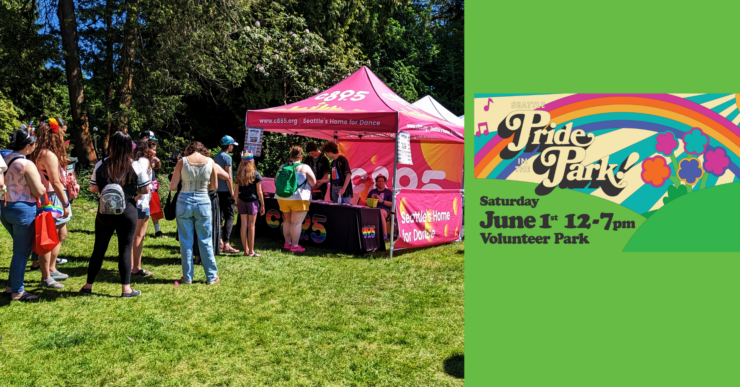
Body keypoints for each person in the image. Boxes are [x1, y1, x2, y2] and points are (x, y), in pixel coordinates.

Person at [81, 131, 150, 297]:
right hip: (128, 210)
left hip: (104, 212)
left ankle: (88, 285)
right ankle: (126, 288)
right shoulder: (136, 165)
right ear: (129, 147)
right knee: (125, 249)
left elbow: (93, 187)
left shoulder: (101, 164)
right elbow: (146, 188)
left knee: (99, 248)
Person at [2, 129, 46, 301]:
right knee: (21, 252)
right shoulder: (27, 164)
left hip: (6, 207)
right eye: (34, 145)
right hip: (24, 210)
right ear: (28, 146)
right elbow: (38, 190)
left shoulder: (6, 159)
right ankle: (18, 291)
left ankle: (10, 286)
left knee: (19, 250)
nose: (35, 148)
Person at [28, 117, 71, 288]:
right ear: (55, 131)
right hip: (51, 199)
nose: (63, 135)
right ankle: (46, 276)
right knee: (47, 238)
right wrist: (65, 204)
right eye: (63, 131)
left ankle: (52, 268)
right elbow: (55, 182)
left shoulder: (41, 151)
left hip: (51, 197)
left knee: (61, 235)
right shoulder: (48, 154)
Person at [169, 141, 219, 284]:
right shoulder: (210, 162)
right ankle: (211, 276)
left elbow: (173, 186)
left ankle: (187, 276)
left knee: (186, 241)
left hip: (184, 200)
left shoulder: (182, 161)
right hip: (203, 200)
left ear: (189, 150)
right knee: (205, 239)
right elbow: (214, 186)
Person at [276, 145, 316, 252]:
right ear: (301, 157)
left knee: (287, 221)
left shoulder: (283, 166)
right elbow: (313, 183)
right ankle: (294, 246)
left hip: (283, 197)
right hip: (299, 198)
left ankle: (287, 243)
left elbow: (276, 180)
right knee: (297, 223)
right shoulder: (305, 167)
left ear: (290, 156)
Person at [131, 137, 156, 276]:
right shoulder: (144, 162)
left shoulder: (140, 161)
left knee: (136, 236)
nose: (154, 152)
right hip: (140, 202)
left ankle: (131, 266)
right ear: (146, 149)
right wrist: (137, 198)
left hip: (141, 202)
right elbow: (143, 185)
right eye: (153, 149)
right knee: (138, 236)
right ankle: (136, 267)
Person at [235, 152, 265, 257]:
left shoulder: (238, 174)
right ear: (252, 162)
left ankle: (246, 250)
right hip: (252, 202)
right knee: (251, 226)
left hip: (242, 201)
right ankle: (252, 251)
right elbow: (259, 191)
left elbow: (236, 191)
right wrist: (263, 204)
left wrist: (235, 203)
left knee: (243, 226)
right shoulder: (256, 174)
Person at [213, 135, 239, 254]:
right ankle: (227, 244)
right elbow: (228, 177)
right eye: (232, 145)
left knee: (220, 216)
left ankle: (219, 241)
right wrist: (232, 192)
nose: (233, 147)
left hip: (217, 190)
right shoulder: (227, 157)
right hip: (227, 191)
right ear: (229, 145)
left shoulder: (216, 156)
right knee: (230, 216)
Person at [140, 131, 166, 238]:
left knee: (154, 206)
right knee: (142, 207)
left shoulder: (151, 152)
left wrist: (157, 163)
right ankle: (140, 231)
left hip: (152, 183)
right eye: (149, 140)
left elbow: (156, 166)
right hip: (142, 185)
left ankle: (157, 230)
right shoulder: (138, 154)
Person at [366, 175, 394, 241]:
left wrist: (382, 201)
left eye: (382, 181)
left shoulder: (388, 192)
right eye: (379, 181)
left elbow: (392, 204)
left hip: (384, 210)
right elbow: (365, 202)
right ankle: (369, 235)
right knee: (365, 213)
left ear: (385, 182)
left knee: (380, 212)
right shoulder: (372, 192)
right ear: (376, 183)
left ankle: (384, 235)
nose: (381, 182)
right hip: (373, 209)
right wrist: (371, 200)